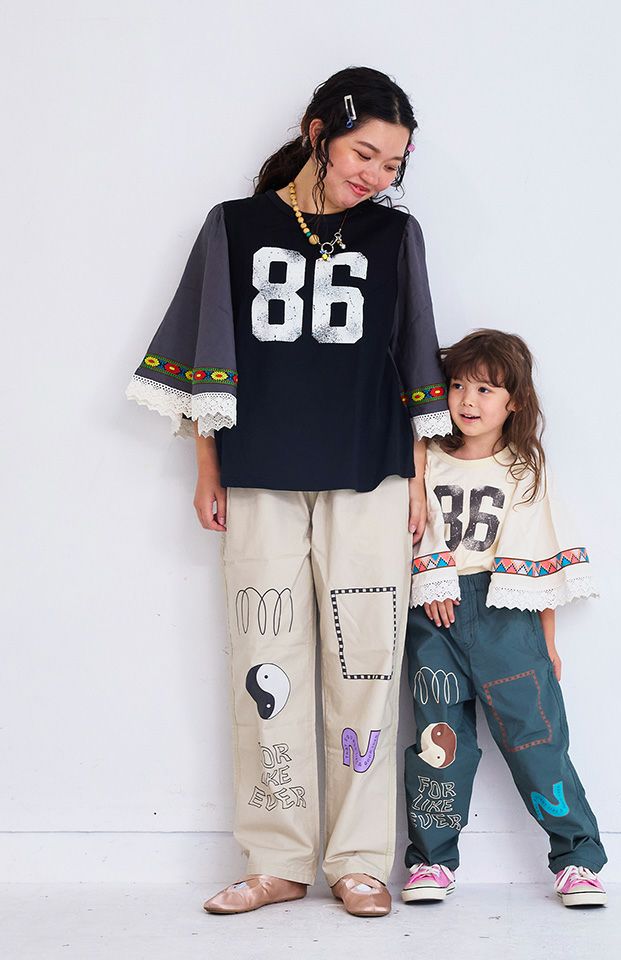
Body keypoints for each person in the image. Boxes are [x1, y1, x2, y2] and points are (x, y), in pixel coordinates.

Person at [125, 66, 452, 918]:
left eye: (392, 163)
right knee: (263, 665)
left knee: (365, 667)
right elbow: (210, 351)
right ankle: (277, 859)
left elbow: (415, 353)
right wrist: (207, 469)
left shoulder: (395, 235)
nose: (375, 174)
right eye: (364, 153)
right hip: (260, 474)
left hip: (370, 474)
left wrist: (418, 479)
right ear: (319, 132)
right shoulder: (234, 227)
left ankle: (358, 860)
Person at [400, 329, 607, 908]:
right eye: (457, 385)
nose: (467, 400)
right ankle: (432, 861)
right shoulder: (425, 459)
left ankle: (578, 858)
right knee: (438, 743)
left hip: (507, 617)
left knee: (537, 740)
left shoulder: (524, 469)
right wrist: (432, 576)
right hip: (435, 619)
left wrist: (548, 643)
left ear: (513, 400)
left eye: (485, 389)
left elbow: (538, 554)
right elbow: (408, 528)